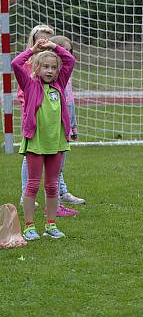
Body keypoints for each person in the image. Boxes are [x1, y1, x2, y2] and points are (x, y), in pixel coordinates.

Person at [12, 37, 76, 241]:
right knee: (32, 185)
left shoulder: (60, 84)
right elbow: (15, 63)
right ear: (37, 68)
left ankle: (51, 224)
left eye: (53, 67)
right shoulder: (30, 85)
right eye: (45, 67)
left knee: (52, 186)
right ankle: (29, 226)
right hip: (36, 144)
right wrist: (33, 50)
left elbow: (70, 61)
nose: (50, 71)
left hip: (56, 143)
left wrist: (53, 46)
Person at [48, 35, 85, 211]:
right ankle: (54, 203)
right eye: (64, 50)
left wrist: (74, 125)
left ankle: (61, 196)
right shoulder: (51, 77)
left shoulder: (67, 77)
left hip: (65, 128)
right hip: (52, 129)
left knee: (59, 166)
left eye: (69, 50)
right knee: (52, 167)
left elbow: (69, 105)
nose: (68, 54)